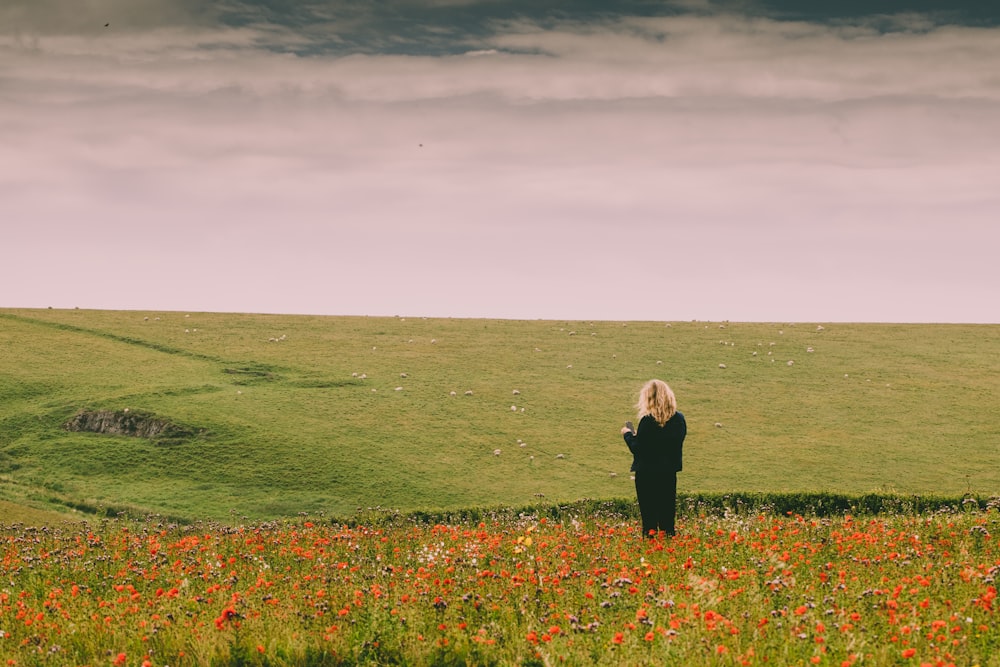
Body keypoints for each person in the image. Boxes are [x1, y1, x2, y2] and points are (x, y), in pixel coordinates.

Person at [621, 379, 686, 537]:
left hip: (647, 474)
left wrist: (628, 435)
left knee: (649, 519)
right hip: (668, 473)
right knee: (667, 517)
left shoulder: (648, 422)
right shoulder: (679, 420)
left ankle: (650, 551)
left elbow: (639, 449)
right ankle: (669, 551)